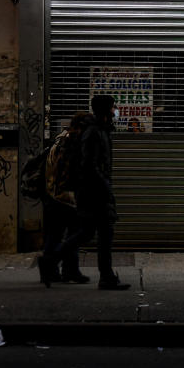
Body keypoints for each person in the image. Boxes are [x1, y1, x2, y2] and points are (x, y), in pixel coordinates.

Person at [38, 94, 131, 290]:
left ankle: (50, 260)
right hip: (93, 192)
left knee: (87, 233)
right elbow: (90, 165)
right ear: (106, 109)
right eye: (113, 107)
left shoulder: (101, 130)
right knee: (104, 233)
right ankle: (105, 277)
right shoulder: (93, 132)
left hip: (93, 190)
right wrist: (106, 188)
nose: (116, 110)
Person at [39, 111, 90, 283]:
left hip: (53, 195)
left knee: (55, 235)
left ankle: (51, 270)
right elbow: (69, 172)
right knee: (74, 235)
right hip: (66, 197)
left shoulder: (60, 140)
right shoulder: (72, 142)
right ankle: (68, 270)